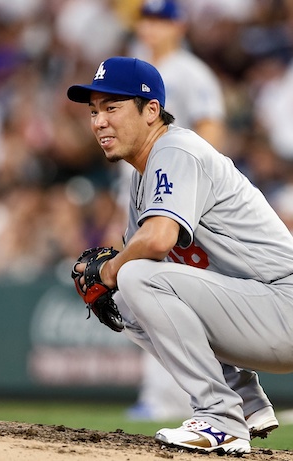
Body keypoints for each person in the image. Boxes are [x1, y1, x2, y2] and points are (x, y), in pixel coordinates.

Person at [67, 56, 293, 455]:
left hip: (287, 307)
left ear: (151, 110)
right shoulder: (143, 178)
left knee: (133, 276)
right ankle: (244, 400)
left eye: (112, 107)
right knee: (126, 291)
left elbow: (156, 241)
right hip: (254, 307)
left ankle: (219, 417)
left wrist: (111, 268)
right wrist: (112, 274)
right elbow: (150, 257)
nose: (99, 121)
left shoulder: (176, 149)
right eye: (94, 111)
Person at [125, 0, 228, 421]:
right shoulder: (133, 70)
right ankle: (172, 394)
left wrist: (197, 189)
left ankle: (177, 396)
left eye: (160, 20)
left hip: (177, 196)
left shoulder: (191, 72)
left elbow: (211, 127)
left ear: (179, 26)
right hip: (140, 191)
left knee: (157, 289)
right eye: (146, 20)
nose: (152, 28)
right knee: (143, 292)